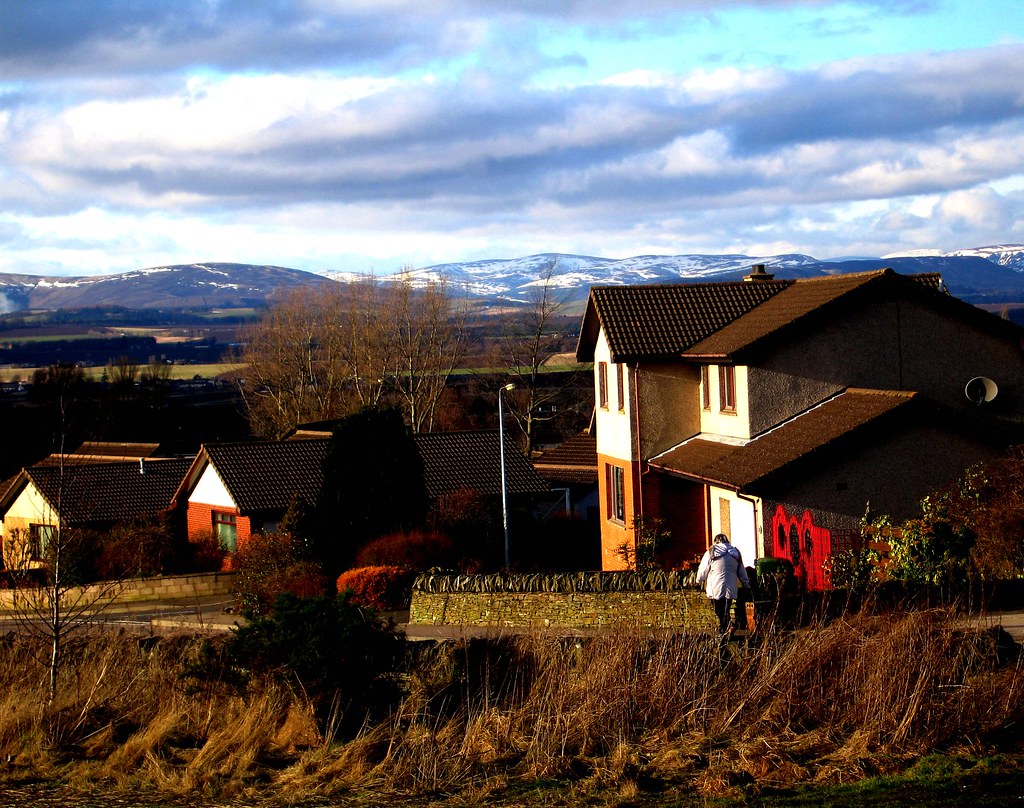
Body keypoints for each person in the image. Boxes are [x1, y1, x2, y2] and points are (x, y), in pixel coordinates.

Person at [696, 533, 751, 638]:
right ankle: (726, 627)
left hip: (715, 587)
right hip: (731, 587)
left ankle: (724, 628)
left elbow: (703, 570)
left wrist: (698, 580)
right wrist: (746, 584)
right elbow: (741, 571)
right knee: (726, 608)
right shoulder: (735, 553)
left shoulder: (711, 553)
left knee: (718, 609)